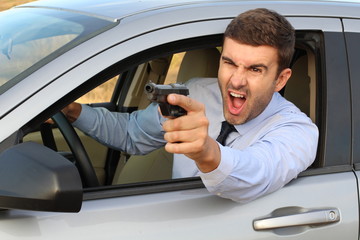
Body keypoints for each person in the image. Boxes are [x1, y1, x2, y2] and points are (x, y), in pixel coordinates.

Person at [62, 8, 319, 203]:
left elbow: (258, 173)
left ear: (280, 79)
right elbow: (132, 134)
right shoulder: (196, 93)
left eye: (255, 69)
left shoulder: (298, 130)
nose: (237, 81)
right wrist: (74, 112)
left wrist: (207, 151)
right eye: (229, 63)